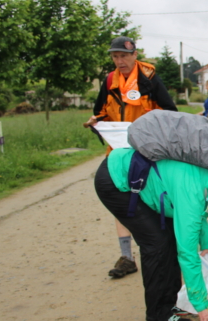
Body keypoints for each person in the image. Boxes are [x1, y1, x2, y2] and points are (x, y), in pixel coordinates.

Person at [94, 148, 208, 321]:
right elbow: (188, 253)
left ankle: (171, 307)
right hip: (115, 179)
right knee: (156, 244)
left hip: (145, 176)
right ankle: (158, 315)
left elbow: (200, 209)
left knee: (168, 239)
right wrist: (202, 305)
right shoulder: (191, 195)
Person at [83, 36, 178, 279]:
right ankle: (127, 257)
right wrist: (96, 121)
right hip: (118, 152)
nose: (119, 60)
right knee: (121, 201)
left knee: (151, 197)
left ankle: (164, 248)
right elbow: (101, 112)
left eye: (124, 56)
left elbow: (170, 112)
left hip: (147, 151)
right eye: (115, 56)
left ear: (135, 55)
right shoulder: (109, 80)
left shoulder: (149, 78)